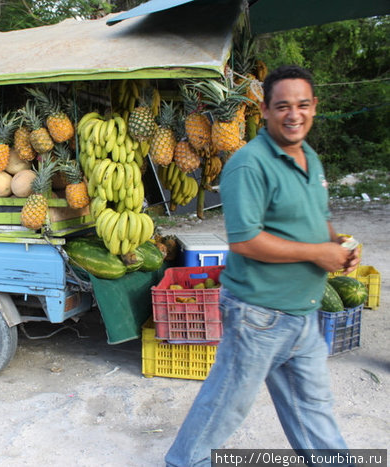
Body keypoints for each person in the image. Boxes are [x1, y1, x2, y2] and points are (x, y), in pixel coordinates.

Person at [164, 65, 360, 467]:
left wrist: (335, 243)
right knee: (225, 407)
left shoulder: (311, 159)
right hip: (258, 315)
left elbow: (318, 217)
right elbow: (246, 240)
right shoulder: (248, 165)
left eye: (302, 105)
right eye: (283, 106)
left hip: (302, 313)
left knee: (314, 410)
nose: (294, 114)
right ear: (266, 111)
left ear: (314, 107)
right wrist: (315, 253)